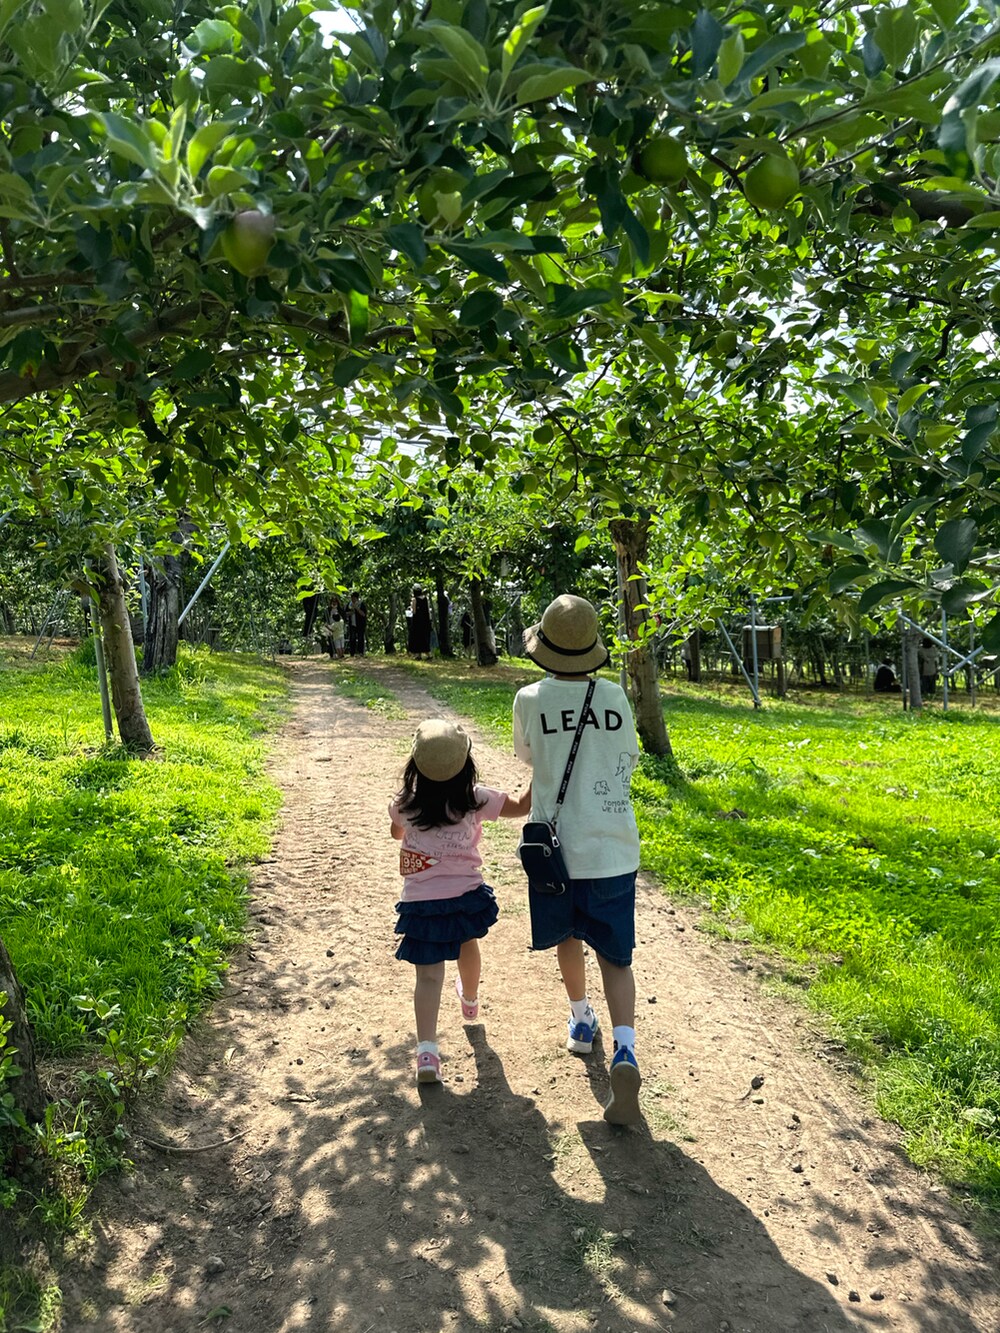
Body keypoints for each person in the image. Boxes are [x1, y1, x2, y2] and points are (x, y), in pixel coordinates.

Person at [512, 594, 643, 1125]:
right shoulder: (614, 696)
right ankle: (626, 1048)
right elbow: (628, 756)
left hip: (558, 850)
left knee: (569, 938)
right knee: (617, 955)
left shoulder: (529, 698)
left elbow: (529, 758)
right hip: (613, 844)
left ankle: (581, 1021)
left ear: (544, 648)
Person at [389, 719, 531, 1084]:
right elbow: (520, 806)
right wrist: (542, 771)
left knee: (429, 976)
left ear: (415, 765)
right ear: (465, 763)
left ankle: (426, 1053)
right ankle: (469, 1000)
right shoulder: (475, 798)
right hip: (465, 894)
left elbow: (396, 832)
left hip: (421, 901)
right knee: (468, 944)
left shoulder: (405, 803)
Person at [408, 584, 433, 658]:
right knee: (424, 636)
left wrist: (411, 608)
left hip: (417, 621)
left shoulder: (414, 599)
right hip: (425, 620)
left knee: (416, 636)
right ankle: (428, 654)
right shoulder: (425, 599)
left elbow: (414, 611)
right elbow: (427, 610)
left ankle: (417, 654)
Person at [321, 594, 346, 660]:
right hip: (330, 626)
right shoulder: (328, 610)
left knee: (339, 643)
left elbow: (344, 617)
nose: (334, 603)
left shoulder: (340, 609)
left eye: (335, 602)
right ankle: (332, 654)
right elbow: (324, 618)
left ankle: (340, 655)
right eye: (333, 602)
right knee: (330, 641)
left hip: (338, 628)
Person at [346, 591, 367, 656]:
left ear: (357, 598)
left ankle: (361, 652)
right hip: (352, 624)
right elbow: (345, 613)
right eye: (352, 598)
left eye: (354, 598)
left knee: (360, 638)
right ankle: (352, 653)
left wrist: (357, 609)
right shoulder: (349, 605)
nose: (353, 599)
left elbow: (364, 614)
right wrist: (350, 612)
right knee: (352, 638)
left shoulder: (361, 604)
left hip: (360, 624)